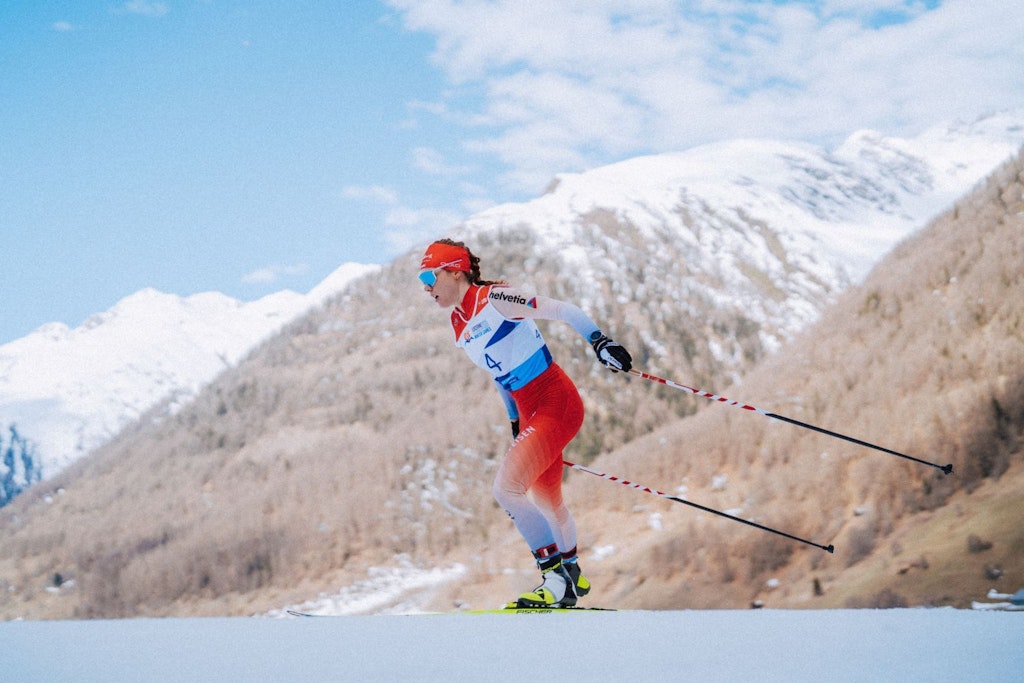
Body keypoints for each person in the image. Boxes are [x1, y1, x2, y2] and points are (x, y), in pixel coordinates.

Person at [418, 238, 633, 608]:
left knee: (507, 489)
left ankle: (555, 581)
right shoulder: (457, 321)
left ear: (454, 271)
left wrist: (600, 342)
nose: (426, 287)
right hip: (530, 411)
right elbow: (497, 373)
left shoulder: (496, 299)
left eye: (429, 276)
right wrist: (516, 420)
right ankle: (571, 572)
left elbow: (564, 310)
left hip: (556, 401)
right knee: (547, 499)